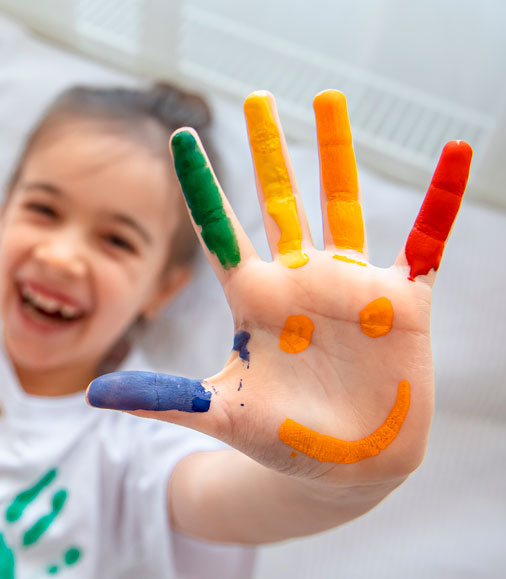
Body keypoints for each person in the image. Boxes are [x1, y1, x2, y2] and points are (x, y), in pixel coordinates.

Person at [0, 84, 472, 578]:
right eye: (43, 210)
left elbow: (239, 499)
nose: (61, 256)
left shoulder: (144, 434)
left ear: (164, 288)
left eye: (116, 240)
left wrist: (345, 476)